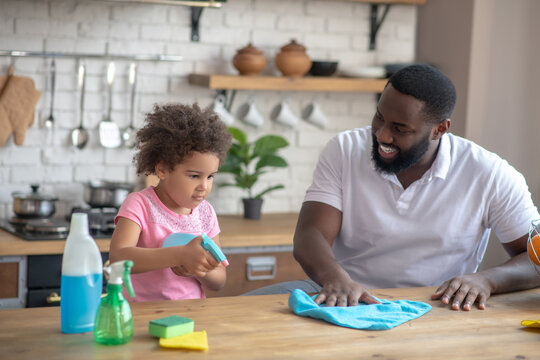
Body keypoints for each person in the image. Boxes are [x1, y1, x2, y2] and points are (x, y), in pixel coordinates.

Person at [246, 64, 540, 310]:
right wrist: (335, 277)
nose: (382, 134)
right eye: (379, 117)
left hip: (434, 306)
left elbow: (535, 260)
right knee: (237, 316)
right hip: (341, 295)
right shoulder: (345, 148)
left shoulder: (490, 174)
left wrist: (486, 280)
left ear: (440, 129)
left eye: (400, 128)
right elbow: (311, 234)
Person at [109, 103, 232, 302]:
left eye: (210, 177)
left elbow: (219, 280)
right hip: (140, 314)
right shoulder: (140, 205)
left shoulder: (206, 213)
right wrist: (180, 255)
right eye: (194, 176)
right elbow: (118, 258)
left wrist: (199, 267)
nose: (204, 186)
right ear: (163, 170)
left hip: (189, 316)